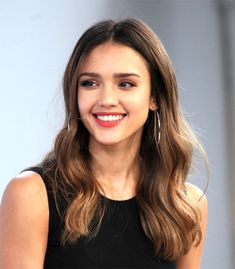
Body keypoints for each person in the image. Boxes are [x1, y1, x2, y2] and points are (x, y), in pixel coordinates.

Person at [0, 18, 208, 269]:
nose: (106, 99)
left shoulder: (187, 205)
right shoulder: (31, 195)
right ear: (75, 93)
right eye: (90, 83)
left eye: (126, 84)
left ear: (154, 96)